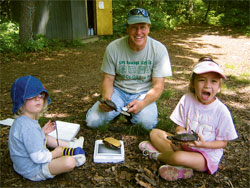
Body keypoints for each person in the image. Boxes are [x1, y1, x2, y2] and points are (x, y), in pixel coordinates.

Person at [139, 57, 238, 181]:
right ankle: (182, 169)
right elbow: (180, 126)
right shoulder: (187, 99)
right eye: (202, 80)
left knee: (178, 157)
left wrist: (204, 144)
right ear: (193, 83)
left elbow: (223, 143)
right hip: (185, 147)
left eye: (213, 81)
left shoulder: (221, 111)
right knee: (155, 133)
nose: (207, 85)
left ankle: (156, 155)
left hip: (205, 156)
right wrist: (180, 135)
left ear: (219, 86)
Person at [86, 8, 172, 130]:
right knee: (93, 122)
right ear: (127, 28)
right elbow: (108, 79)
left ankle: (128, 112)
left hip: (143, 93)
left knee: (147, 125)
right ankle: (120, 110)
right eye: (134, 27)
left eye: (142, 27)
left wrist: (143, 103)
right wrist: (106, 99)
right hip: (118, 91)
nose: (138, 32)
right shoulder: (113, 48)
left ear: (148, 28)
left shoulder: (159, 50)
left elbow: (158, 86)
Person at [9, 75, 86, 181]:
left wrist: (42, 133)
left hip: (21, 165)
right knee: (69, 162)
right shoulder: (28, 128)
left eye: (40, 95)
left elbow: (29, 140)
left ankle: (71, 145)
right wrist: (55, 154)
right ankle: (75, 157)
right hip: (33, 170)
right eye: (31, 96)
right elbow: (37, 158)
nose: (38, 99)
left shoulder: (23, 121)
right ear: (21, 101)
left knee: (47, 136)